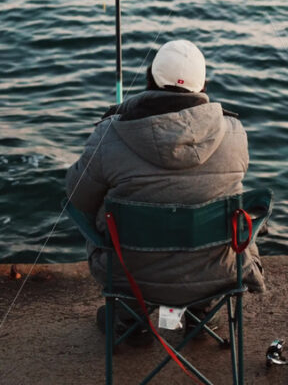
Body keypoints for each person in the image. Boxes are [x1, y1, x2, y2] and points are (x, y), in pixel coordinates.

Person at [65, 39, 264, 338]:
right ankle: (202, 313)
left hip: (127, 274)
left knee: (103, 213)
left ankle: (131, 320)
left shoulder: (109, 133)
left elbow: (78, 197)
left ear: (150, 79)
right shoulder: (235, 134)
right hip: (216, 272)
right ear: (203, 85)